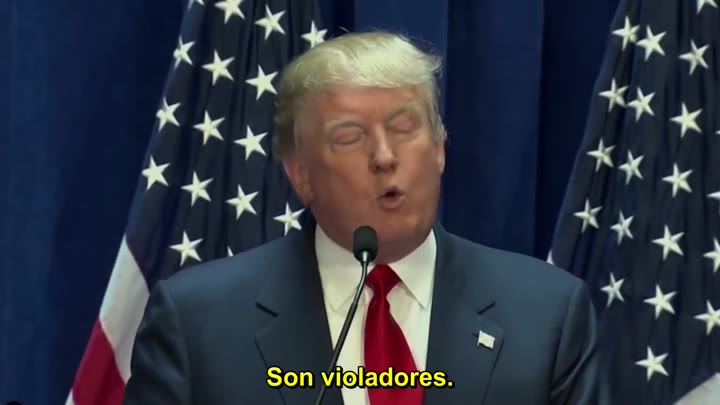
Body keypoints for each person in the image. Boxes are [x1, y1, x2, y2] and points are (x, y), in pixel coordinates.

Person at [123, 31, 604, 404]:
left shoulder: (547, 315)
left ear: (439, 148)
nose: (384, 156)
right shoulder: (197, 324)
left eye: (404, 127)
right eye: (350, 137)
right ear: (301, 174)